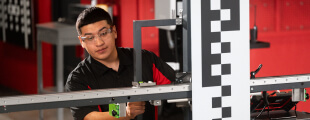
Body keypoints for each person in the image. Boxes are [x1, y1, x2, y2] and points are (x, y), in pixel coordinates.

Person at [65, 7, 175, 120]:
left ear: (114, 31)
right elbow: (89, 117)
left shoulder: (145, 59)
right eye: (90, 38)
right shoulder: (78, 78)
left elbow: (175, 89)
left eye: (103, 33)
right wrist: (123, 112)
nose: (99, 42)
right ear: (82, 42)